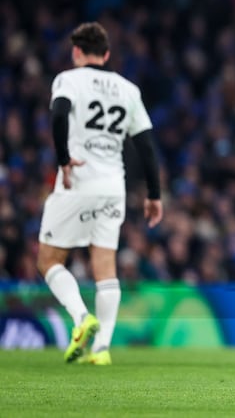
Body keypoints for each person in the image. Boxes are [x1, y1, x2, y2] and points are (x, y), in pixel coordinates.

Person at [37, 22, 163, 365]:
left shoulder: (68, 79)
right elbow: (146, 146)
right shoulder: (128, 89)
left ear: (77, 52)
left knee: (48, 259)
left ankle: (81, 318)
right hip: (113, 187)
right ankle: (102, 348)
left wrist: (63, 159)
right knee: (105, 266)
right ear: (106, 54)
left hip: (77, 180)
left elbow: (59, 114)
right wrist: (154, 194)